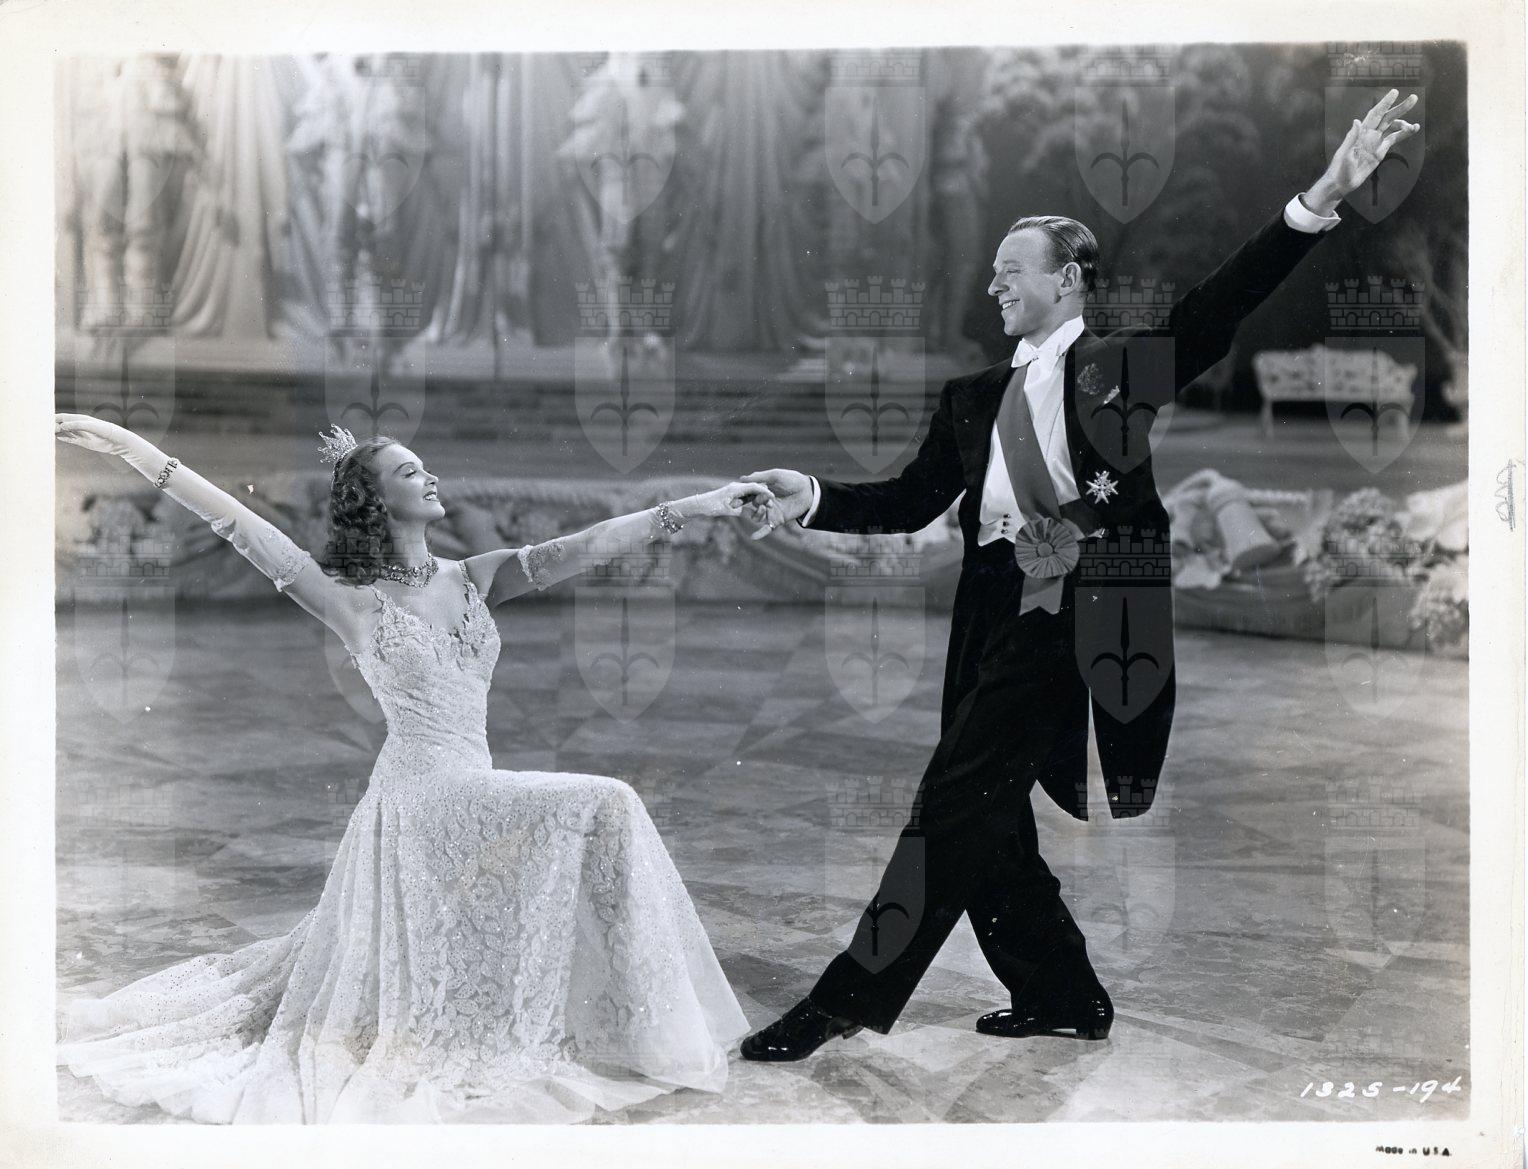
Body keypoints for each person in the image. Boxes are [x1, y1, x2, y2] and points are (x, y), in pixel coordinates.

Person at [738, 89, 1421, 1061]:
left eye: (1010, 270)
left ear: (1066, 281)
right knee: (991, 821)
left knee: (951, 801)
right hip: (988, 618)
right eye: (990, 273)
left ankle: (843, 999)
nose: (992, 286)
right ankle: (1062, 992)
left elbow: (1218, 306)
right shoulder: (971, 398)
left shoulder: (1118, 370)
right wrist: (805, 493)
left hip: (1072, 622)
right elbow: (906, 499)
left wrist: (1322, 196)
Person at [53, 414, 773, 1123]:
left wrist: (703, 504)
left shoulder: (475, 577)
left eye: (424, 466)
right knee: (608, 800)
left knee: (605, 815)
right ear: (376, 500)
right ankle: (639, 1029)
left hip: (472, 784)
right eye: (408, 471)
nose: (429, 477)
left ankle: (628, 1025)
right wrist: (133, 447)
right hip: (416, 797)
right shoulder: (352, 601)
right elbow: (242, 527)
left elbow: (588, 545)